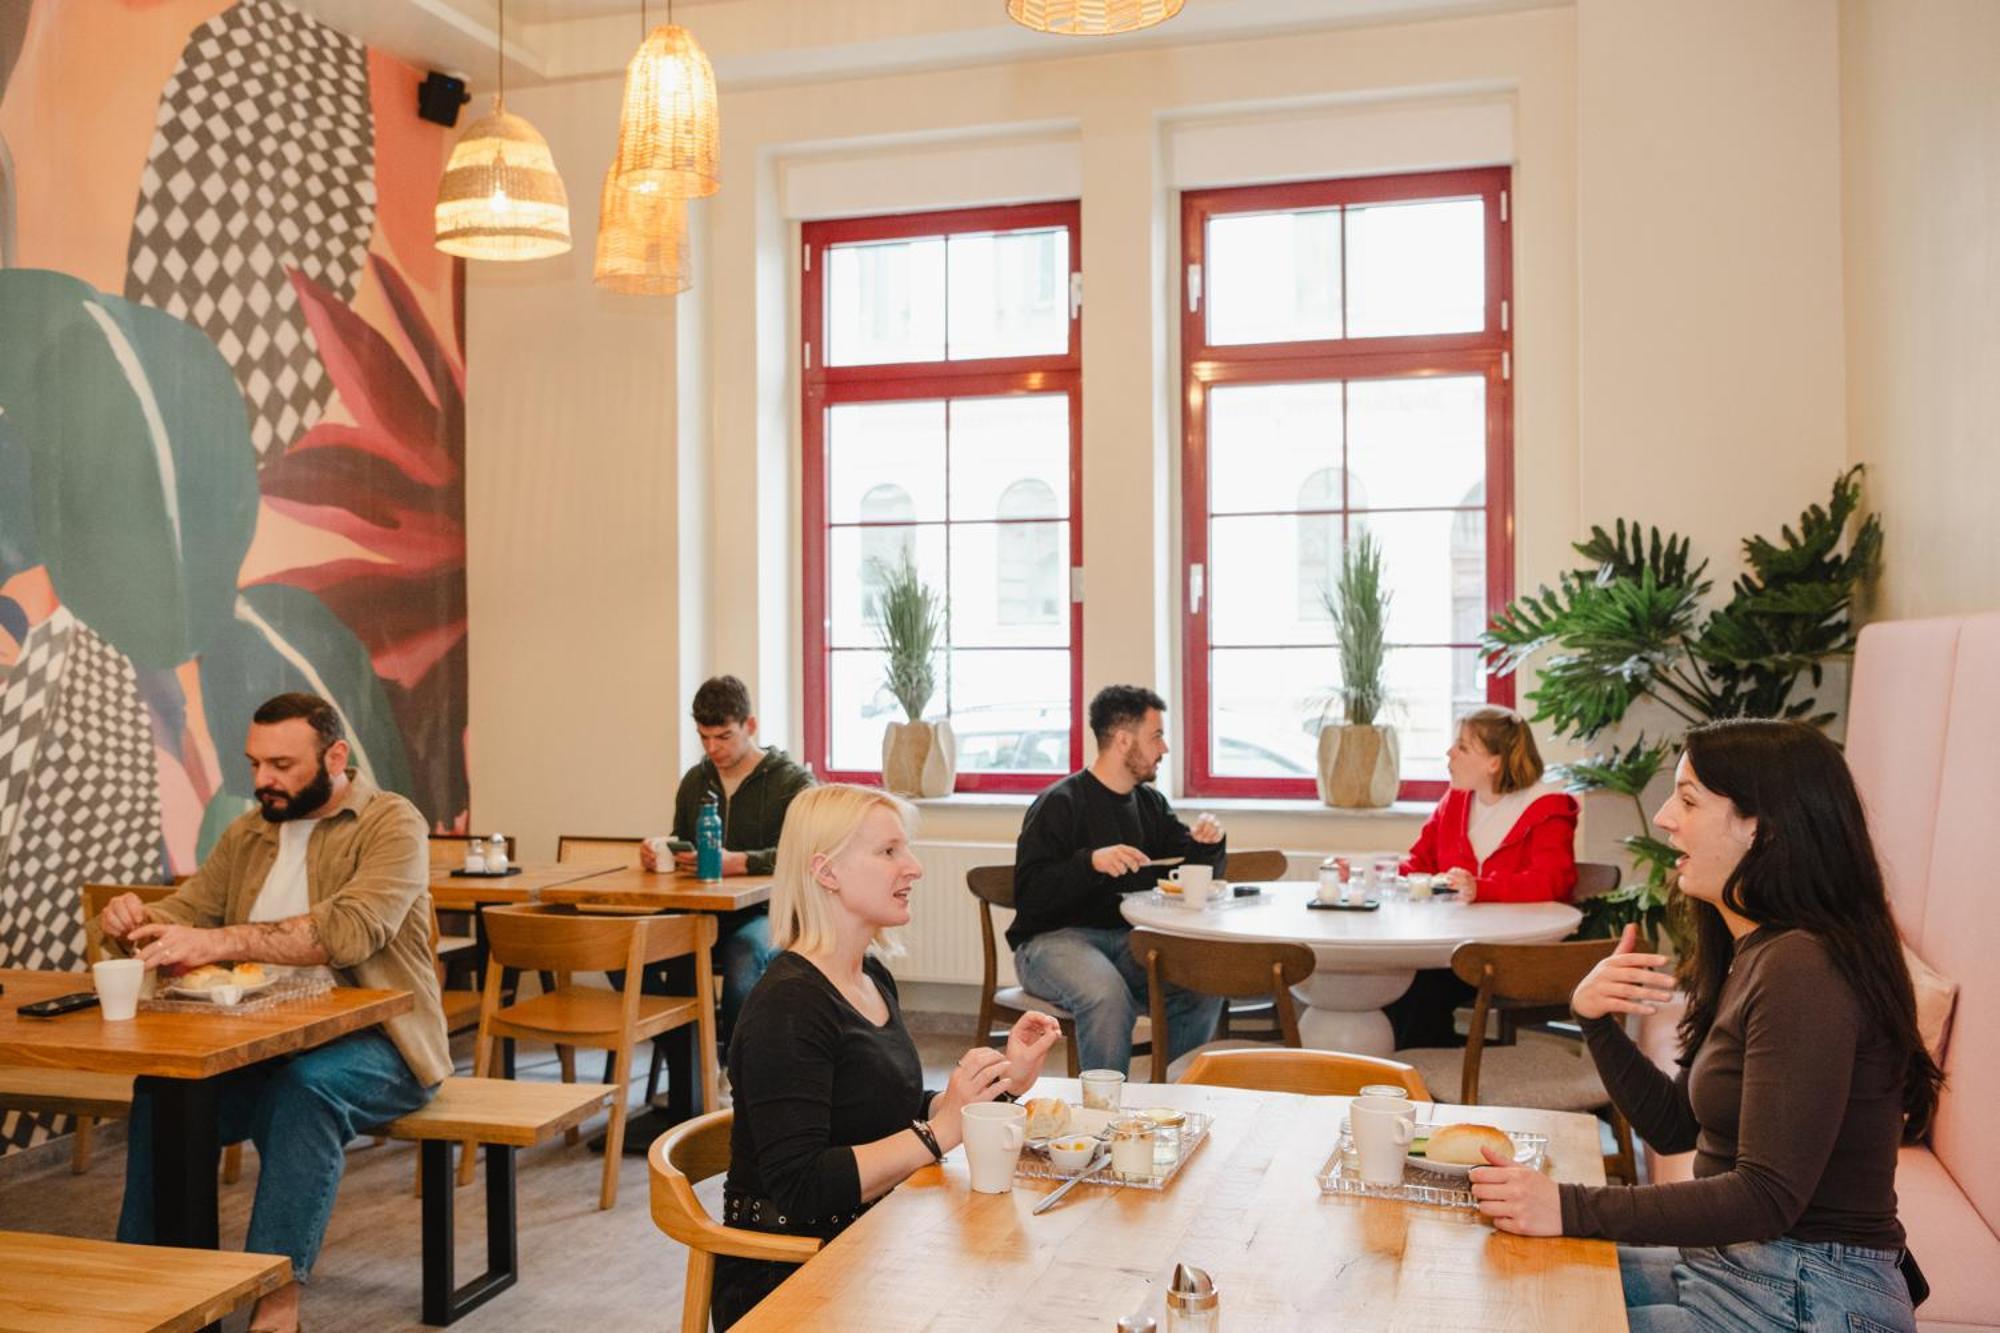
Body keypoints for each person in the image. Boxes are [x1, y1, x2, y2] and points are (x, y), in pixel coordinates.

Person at [1466, 720, 1941, 1332]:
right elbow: (1676, 1127)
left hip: (1810, 1291)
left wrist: (1566, 1205)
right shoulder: (1753, 947)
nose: (1665, 818)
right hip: (1745, 1267)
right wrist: (1595, 1021)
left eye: (1688, 801)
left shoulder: (1803, 967)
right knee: (1511, 1286)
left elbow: (1766, 1196)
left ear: (1761, 827)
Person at [99, 692, 448, 1333]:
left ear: (335, 757)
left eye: (282, 765)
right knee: (164, 1090)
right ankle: (151, 1289)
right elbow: (189, 912)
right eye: (255, 764)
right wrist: (134, 923)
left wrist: (218, 941)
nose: (263, 780)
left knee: (305, 1093)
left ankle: (276, 1302)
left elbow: (349, 932)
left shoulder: (392, 823)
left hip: (386, 1044)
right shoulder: (249, 832)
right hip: (265, 1044)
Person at [716, 784, 1062, 1329]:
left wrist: (1000, 1084)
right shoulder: (788, 1007)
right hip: (790, 1279)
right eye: (888, 851)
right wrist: (940, 1132)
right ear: (826, 872)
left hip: (871, 1242)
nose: (914, 867)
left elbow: (885, 1110)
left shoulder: (870, 976)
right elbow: (802, 1187)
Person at [1009, 684, 1227, 1076]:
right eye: (1156, 736)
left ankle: (1172, 1097)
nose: (1164, 748)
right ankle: (1103, 1108)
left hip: (1130, 941)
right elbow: (1030, 895)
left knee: (1202, 984)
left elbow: (1188, 867)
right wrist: (1090, 863)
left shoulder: (1151, 804)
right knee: (1106, 996)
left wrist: (1208, 844)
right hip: (1052, 942)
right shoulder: (1059, 803)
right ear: (1124, 740)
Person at [637, 674, 814, 1052]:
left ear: (750, 725)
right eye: (704, 737)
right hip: (701, 910)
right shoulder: (695, 781)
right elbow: (681, 838)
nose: (712, 748)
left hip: (769, 911)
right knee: (627, 946)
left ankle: (735, 1066)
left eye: (724, 736)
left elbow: (807, 854)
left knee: (743, 956)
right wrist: (660, 853)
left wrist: (742, 862)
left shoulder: (792, 783)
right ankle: (687, 1053)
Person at [1389, 705, 1578, 1048]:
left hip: (1514, 954)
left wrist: (1482, 889)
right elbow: (1421, 861)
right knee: (1396, 983)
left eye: (1462, 747)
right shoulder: (1455, 801)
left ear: (1494, 762)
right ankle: (1420, 1065)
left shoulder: (1547, 807)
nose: (1449, 753)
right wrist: (1381, 874)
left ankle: (1430, 1069)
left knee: (1418, 990)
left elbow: (1552, 882)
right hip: (1454, 946)